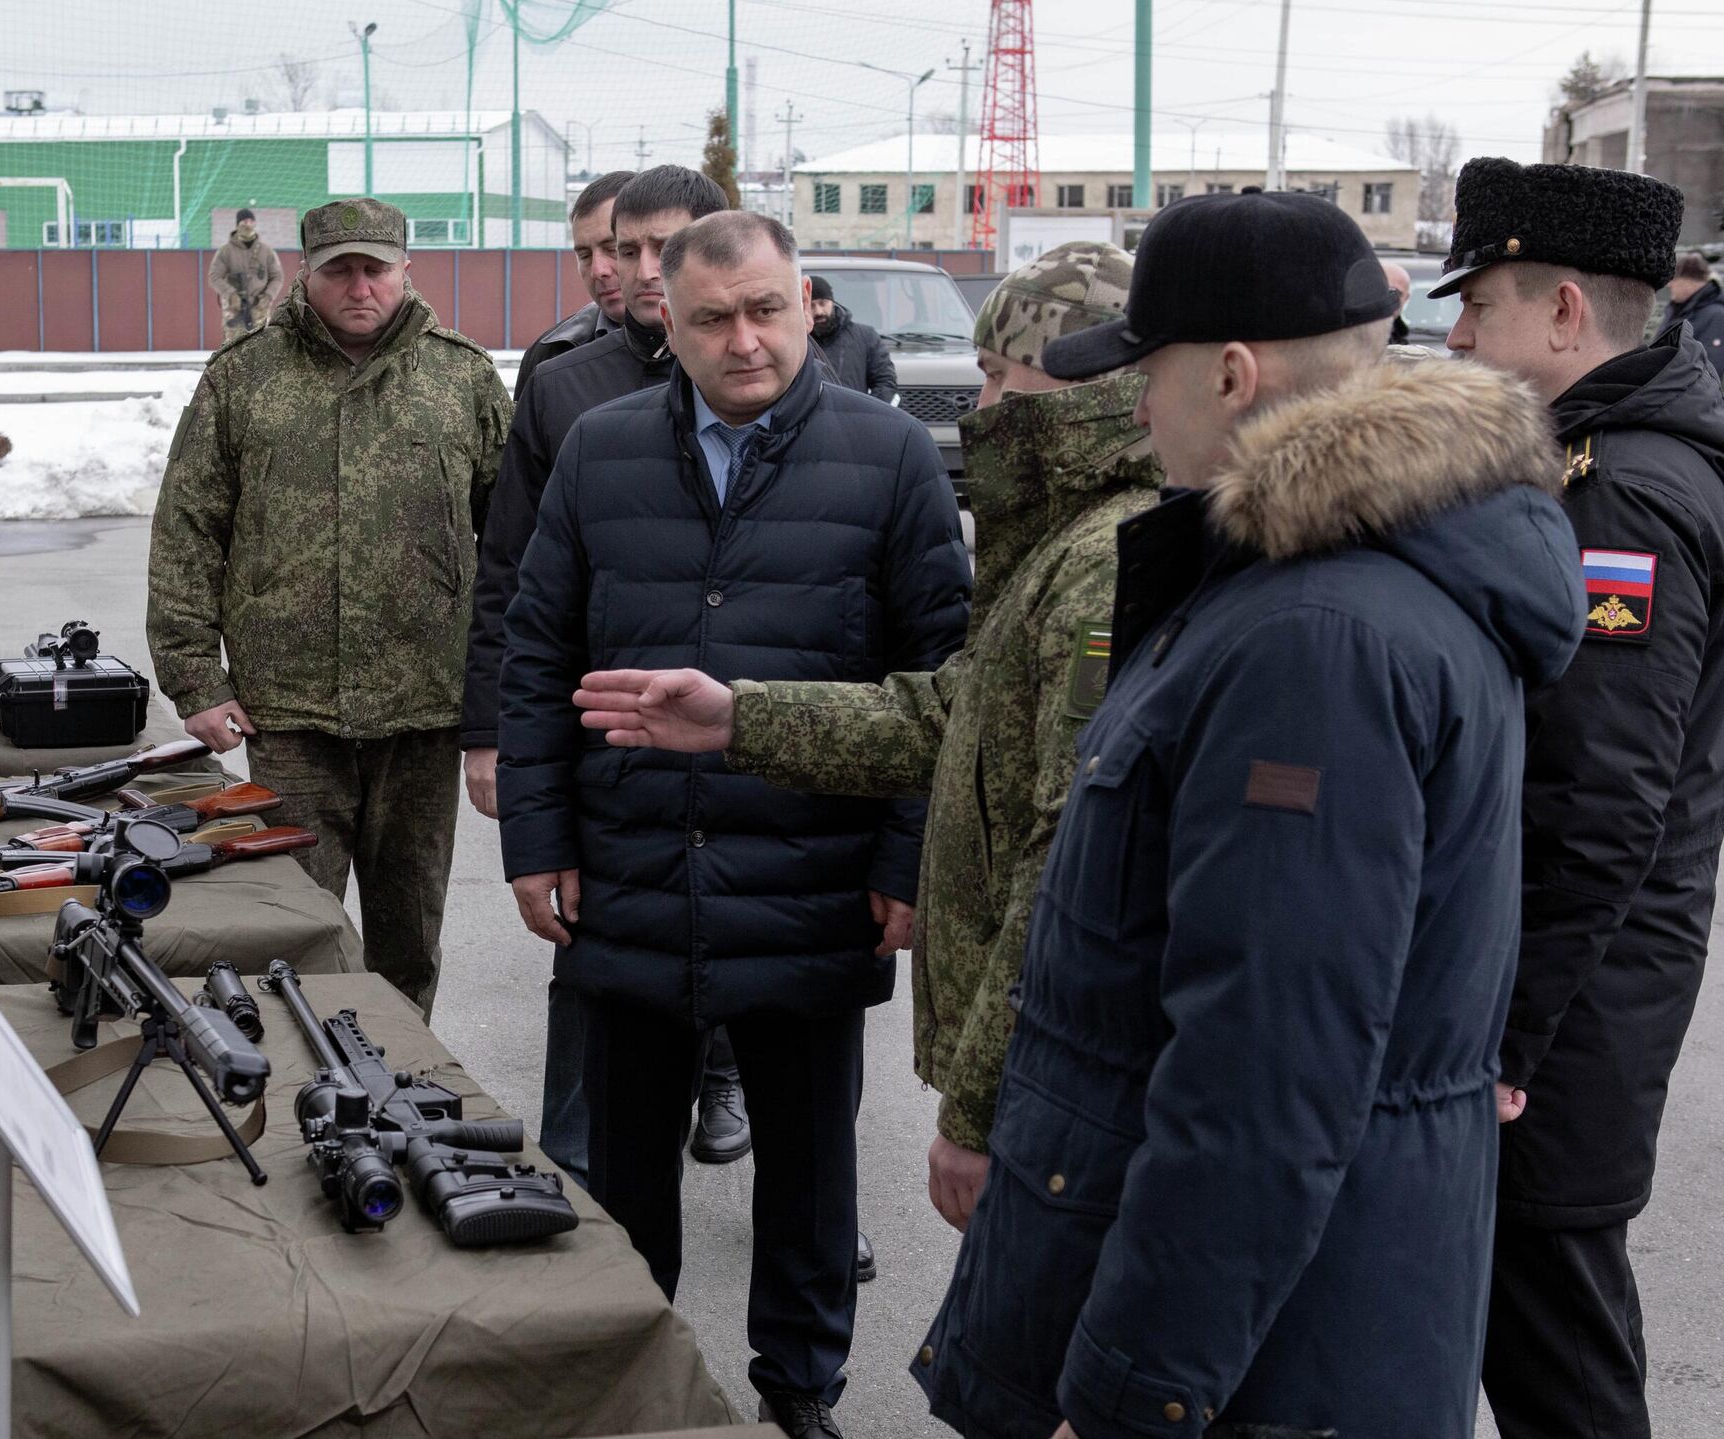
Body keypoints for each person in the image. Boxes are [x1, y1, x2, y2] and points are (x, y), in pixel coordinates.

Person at [915, 189, 1572, 1437]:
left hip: (1266, 1360)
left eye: (1147, 374)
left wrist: (1136, 1389)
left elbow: (1263, 1074)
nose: (1136, 409)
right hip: (1277, 1323)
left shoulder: (1317, 637)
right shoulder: (1303, 584)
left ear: (1229, 373)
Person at [571, 241, 1162, 1239]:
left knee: (829, 1201)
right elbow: (950, 711)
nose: (981, 407)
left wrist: (978, 1104)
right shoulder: (602, 444)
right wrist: (740, 716)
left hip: (842, 915)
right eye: (713, 317)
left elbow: (1060, 857)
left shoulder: (1095, 556)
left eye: (999, 378)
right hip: (645, 882)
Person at [499, 210, 969, 1439]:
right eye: (712, 318)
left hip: (815, 876)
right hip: (630, 866)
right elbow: (536, 650)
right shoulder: (601, 449)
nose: (744, 340)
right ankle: (634, 1375)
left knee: (809, 1169)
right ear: (669, 318)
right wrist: (537, 839)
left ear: (806, 302)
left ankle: (799, 1385)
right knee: (623, 1168)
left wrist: (907, 854)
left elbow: (942, 679)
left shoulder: (889, 455)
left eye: (765, 309)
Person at [1435, 158, 1724, 1439]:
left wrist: (1507, 1037)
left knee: (1556, 1343)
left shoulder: (1623, 494)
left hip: (1568, 1008)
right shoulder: (1602, 457)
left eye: (1478, 303)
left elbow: (1598, 797)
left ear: (1562, 310)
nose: (1456, 335)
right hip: (1575, 990)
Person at [148, 197, 510, 1016]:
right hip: (290, 714)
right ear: (304, 273)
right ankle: (297, 1074)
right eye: (339, 269)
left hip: (424, 712)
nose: (359, 286)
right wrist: (195, 677)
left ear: (406, 270)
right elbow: (188, 530)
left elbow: (514, 547)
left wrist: (500, 699)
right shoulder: (243, 378)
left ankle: (404, 1071)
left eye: (375, 268)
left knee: (408, 935)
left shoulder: (461, 378)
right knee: (292, 932)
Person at [462, 164, 730, 1193]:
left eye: (658, 247)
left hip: (753, 730)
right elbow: (512, 578)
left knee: (766, 970)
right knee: (595, 960)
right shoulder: (566, 381)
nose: (634, 269)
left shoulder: (795, 371)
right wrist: (492, 734)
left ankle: (797, 1182)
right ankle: (574, 1174)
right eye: (620, 249)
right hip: (606, 730)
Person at [513, 170, 633, 396]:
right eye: (585, 255)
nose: (598, 271)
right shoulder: (549, 354)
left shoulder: (699, 347)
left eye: (613, 249)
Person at [809, 276, 897, 402]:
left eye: (823, 303)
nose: (819, 311)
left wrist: (868, 411)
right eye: (811, 305)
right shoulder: (799, 342)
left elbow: (885, 382)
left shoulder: (866, 337)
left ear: (832, 302)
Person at [207, 208, 285, 340]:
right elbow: (214, 277)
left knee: (261, 347)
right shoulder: (225, 251)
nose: (248, 225)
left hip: (259, 309)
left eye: (250, 221)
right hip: (234, 310)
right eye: (244, 222)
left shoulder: (266, 251)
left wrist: (268, 296)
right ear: (237, 224)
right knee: (233, 348)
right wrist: (231, 294)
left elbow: (277, 277)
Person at [1654, 249, 1724, 360]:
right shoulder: (1676, 309)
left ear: (1689, 281)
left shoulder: (1717, 316)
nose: (1669, 285)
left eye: (1673, 279)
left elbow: (1712, 364)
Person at [1382, 257, 1412, 345]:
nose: (1389, 298)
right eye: (1383, 290)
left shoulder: (1402, 339)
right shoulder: (1353, 331)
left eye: (1395, 293)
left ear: (1406, 298)